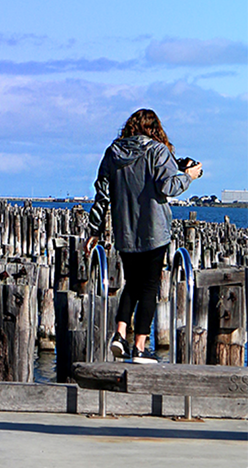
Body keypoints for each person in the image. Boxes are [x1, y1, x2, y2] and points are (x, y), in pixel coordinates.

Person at [85, 109, 202, 364]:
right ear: (155, 128)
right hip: (154, 231)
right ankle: (139, 347)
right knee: (149, 287)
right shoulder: (158, 151)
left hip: (125, 231)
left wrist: (93, 230)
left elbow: (102, 195)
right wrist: (188, 176)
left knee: (132, 284)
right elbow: (167, 186)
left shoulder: (112, 153)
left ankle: (119, 334)